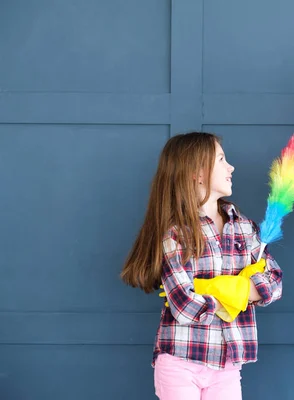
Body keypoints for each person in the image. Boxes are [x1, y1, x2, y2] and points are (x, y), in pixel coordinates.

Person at [121, 132, 283, 400]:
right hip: (181, 361)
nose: (231, 167)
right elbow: (183, 306)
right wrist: (238, 295)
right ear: (197, 172)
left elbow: (275, 282)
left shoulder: (244, 227)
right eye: (221, 159)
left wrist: (228, 290)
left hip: (228, 365)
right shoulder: (176, 234)